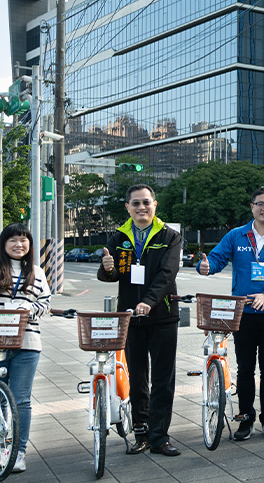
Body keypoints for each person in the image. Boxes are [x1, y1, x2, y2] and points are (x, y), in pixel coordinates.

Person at [198, 186, 264, 440]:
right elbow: (216, 259)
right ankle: (245, 419)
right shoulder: (236, 235)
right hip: (242, 313)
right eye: (260, 203)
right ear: (252, 207)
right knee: (244, 369)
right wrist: (206, 266)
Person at [98, 184, 183, 456]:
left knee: (162, 379)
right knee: (137, 378)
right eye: (135, 203)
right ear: (127, 207)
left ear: (154, 205)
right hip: (130, 318)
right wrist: (106, 269)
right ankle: (142, 433)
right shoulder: (119, 238)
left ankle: (160, 437)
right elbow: (112, 276)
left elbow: (167, 274)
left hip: (163, 316)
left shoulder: (170, 236)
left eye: (146, 202)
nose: (141, 207)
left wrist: (149, 301)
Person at [0, 223, 51, 474]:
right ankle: (0, 448)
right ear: (3, 244)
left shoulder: (36, 271)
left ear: (29, 245)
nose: (19, 244)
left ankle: (18, 452)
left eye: (24, 240)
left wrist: (29, 310)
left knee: (21, 400)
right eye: (13, 240)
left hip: (27, 343)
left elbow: (45, 303)